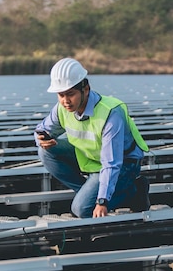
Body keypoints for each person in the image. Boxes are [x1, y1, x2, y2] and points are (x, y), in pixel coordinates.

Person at [35, 58, 149, 218]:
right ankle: (88, 193)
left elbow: (112, 162)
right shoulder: (61, 108)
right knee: (45, 151)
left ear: (85, 89)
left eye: (70, 94)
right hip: (92, 159)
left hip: (123, 164)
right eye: (61, 95)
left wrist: (102, 201)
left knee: (82, 210)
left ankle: (133, 191)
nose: (65, 101)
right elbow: (41, 129)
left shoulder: (110, 113)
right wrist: (42, 139)